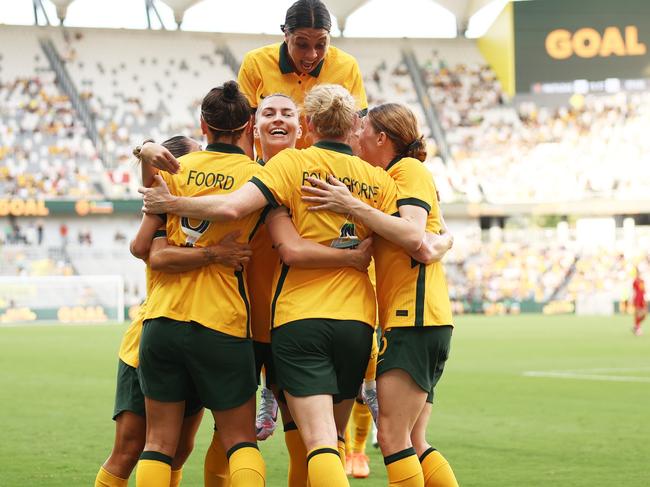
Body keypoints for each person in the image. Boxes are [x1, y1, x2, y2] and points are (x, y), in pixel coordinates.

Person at [139, 84, 431, 487]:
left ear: (304, 126)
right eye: (269, 113)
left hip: (282, 322)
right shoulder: (272, 171)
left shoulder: (288, 168)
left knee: (301, 440)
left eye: (287, 113)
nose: (278, 119)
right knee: (235, 437)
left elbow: (252, 228)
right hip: (251, 323)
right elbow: (407, 232)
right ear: (252, 127)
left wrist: (163, 193)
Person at [301, 102, 458, 487]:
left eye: (363, 128)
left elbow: (414, 237)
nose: (356, 134)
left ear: (382, 137)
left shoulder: (408, 169)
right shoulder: (390, 178)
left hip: (414, 318)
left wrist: (349, 204)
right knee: (414, 440)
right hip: (422, 320)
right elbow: (425, 239)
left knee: (391, 437)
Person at [94, 136, 252, 487]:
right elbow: (143, 249)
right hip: (150, 337)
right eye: (195, 160)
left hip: (199, 327)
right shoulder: (167, 207)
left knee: (179, 449)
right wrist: (213, 254)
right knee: (132, 447)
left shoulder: (196, 205)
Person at [134, 82, 267, 487]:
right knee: (240, 440)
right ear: (248, 126)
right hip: (221, 320)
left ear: (203, 126)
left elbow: (147, 248)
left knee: (158, 442)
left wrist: (144, 150)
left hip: (162, 320)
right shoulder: (257, 176)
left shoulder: (176, 170)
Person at [136, 0, 367, 170]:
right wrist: (247, 175)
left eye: (321, 44)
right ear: (285, 35)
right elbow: (244, 128)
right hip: (270, 170)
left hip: (328, 173)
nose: (312, 54)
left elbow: (357, 128)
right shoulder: (255, 63)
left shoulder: (347, 66)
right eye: (302, 44)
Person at [632, 268, 646, 336]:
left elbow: (643, 290)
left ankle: (635, 326)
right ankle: (638, 328)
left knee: (644, 315)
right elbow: (634, 291)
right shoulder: (635, 281)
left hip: (642, 299)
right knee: (638, 314)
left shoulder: (642, 281)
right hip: (637, 299)